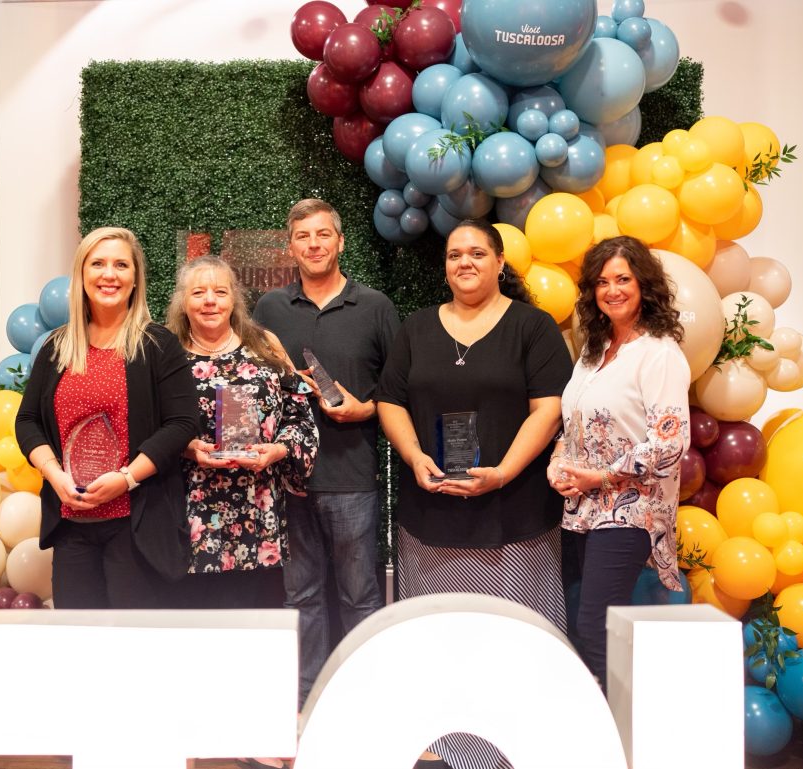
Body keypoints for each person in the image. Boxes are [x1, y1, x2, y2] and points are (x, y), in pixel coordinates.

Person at [376, 219, 572, 769]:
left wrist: (505, 471)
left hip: (516, 520)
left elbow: (550, 408)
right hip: (429, 517)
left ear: (500, 262)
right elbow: (389, 400)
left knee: (515, 641)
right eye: (455, 254)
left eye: (477, 253)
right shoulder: (415, 328)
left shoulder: (533, 328)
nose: (465, 262)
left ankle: (519, 746)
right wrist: (414, 456)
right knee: (442, 641)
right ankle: (451, 747)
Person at [252, 198, 400, 706]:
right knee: (300, 596)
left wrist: (366, 410)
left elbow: (402, 390)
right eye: (303, 237)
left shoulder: (375, 307)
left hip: (352, 476)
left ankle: (367, 695)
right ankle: (306, 700)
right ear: (290, 246)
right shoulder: (270, 308)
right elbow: (254, 382)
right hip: (287, 479)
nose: (313, 245)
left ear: (340, 241)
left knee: (359, 596)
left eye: (322, 235)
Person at [15, 226, 197, 608]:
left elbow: (182, 423)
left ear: (135, 279)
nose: (109, 274)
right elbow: (27, 420)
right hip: (72, 525)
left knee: (133, 650)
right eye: (97, 264)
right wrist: (55, 476)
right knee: (80, 647)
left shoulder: (158, 345)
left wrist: (127, 478)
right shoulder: (56, 347)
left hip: (137, 527)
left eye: (120, 265)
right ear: (82, 275)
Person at [548, 235, 690, 693]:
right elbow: (573, 425)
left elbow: (670, 442)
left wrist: (603, 476)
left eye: (623, 279)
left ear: (644, 285)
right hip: (582, 509)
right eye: (602, 281)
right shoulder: (593, 352)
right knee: (581, 627)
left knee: (594, 627)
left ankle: (631, 737)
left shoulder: (660, 353)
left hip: (630, 509)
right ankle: (607, 729)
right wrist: (558, 463)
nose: (612, 290)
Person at [164, 254, 318, 612]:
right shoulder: (164, 352)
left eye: (220, 291)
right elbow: (147, 426)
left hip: (257, 508)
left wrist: (278, 450)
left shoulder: (265, 344)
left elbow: (299, 414)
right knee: (197, 626)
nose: (210, 301)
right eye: (198, 292)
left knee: (256, 625)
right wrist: (186, 447)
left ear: (234, 299)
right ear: (183, 302)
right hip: (189, 513)